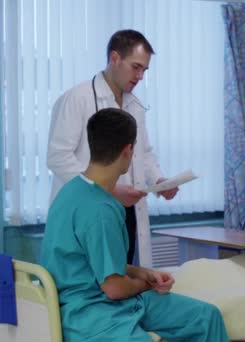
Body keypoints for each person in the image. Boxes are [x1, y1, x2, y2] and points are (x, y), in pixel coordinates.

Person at [41, 108, 228, 341]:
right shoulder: (101, 210)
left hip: (103, 300)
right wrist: (145, 285)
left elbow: (98, 260)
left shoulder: (70, 190)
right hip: (89, 312)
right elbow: (114, 288)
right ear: (128, 151)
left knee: (205, 316)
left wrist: (145, 273)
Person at [47, 29, 178, 266]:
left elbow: (143, 152)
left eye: (144, 70)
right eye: (135, 67)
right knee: (91, 281)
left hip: (125, 209)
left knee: (120, 275)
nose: (140, 76)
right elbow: (58, 157)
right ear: (114, 58)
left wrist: (159, 180)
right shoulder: (78, 98)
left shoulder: (134, 105)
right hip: (87, 209)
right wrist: (106, 189)